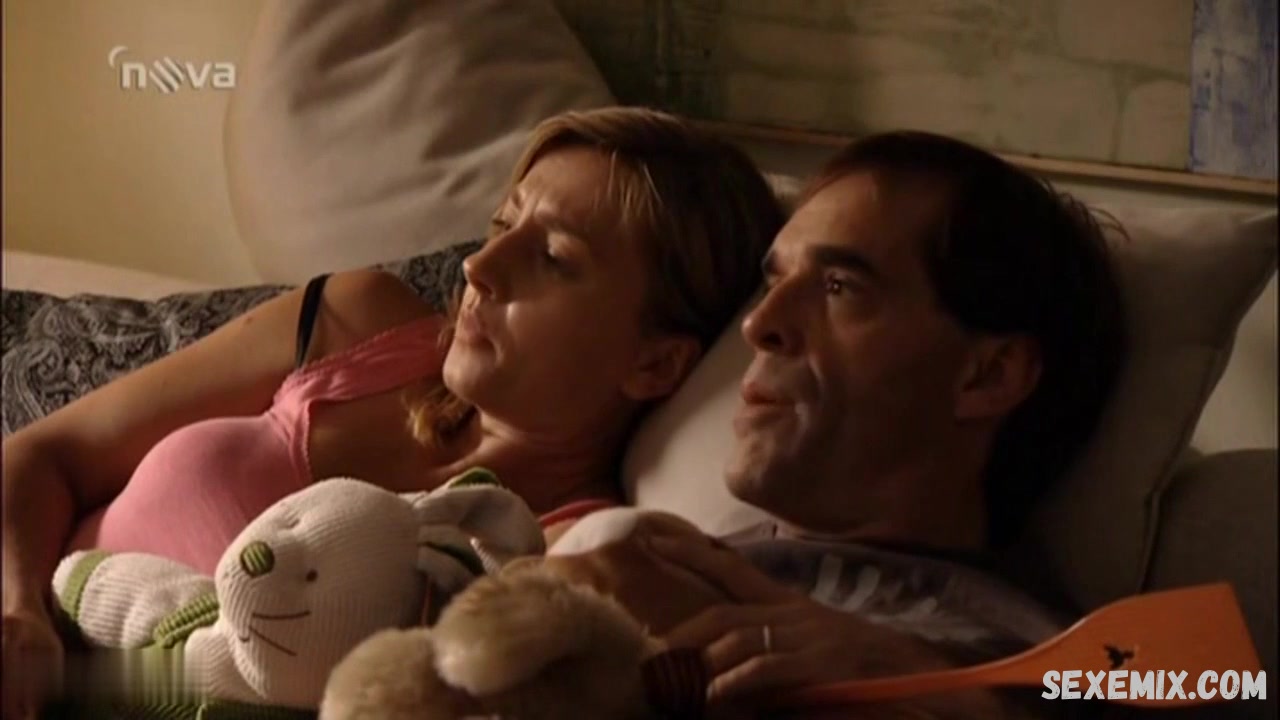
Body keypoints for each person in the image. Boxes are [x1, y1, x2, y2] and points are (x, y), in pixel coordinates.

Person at [0, 107, 788, 719]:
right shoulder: (356, 322)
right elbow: (42, 456)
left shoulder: (560, 568)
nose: (479, 267)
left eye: (552, 258)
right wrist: (19, 612)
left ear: (655, 363)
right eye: (503, 224)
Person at [543, 130, 1125, 718]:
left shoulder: (1046, 669)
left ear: (988, 376)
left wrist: (927, 687)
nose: (758, 325)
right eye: (774, 283)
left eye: (839, 287)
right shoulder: (659, 554)